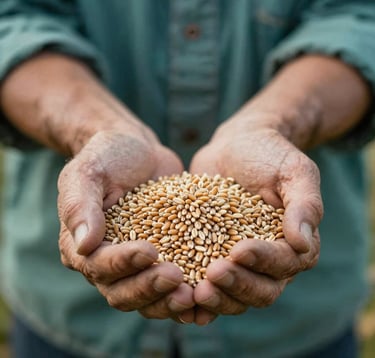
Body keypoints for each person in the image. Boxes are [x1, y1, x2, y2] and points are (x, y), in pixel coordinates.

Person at [0, 0, 374, 357]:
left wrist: (275, 123)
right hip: (70, 313)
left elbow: (359, 18)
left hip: (296, 322)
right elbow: (12, 18)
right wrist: (95, 129)